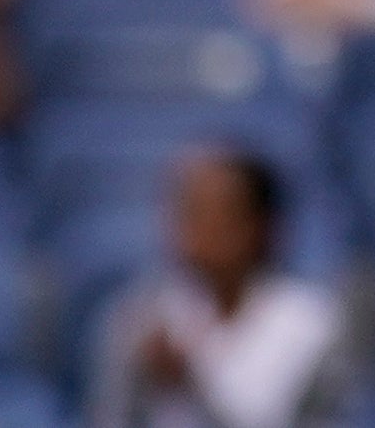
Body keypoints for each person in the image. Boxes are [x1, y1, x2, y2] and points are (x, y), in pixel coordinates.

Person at [86, 149, 348, 428]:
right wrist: (135, 374)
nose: (196, 229)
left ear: (260, 225)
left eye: (217, 213)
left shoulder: (308, 320)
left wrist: (192, 383)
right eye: (189, 210)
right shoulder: (145, 314)